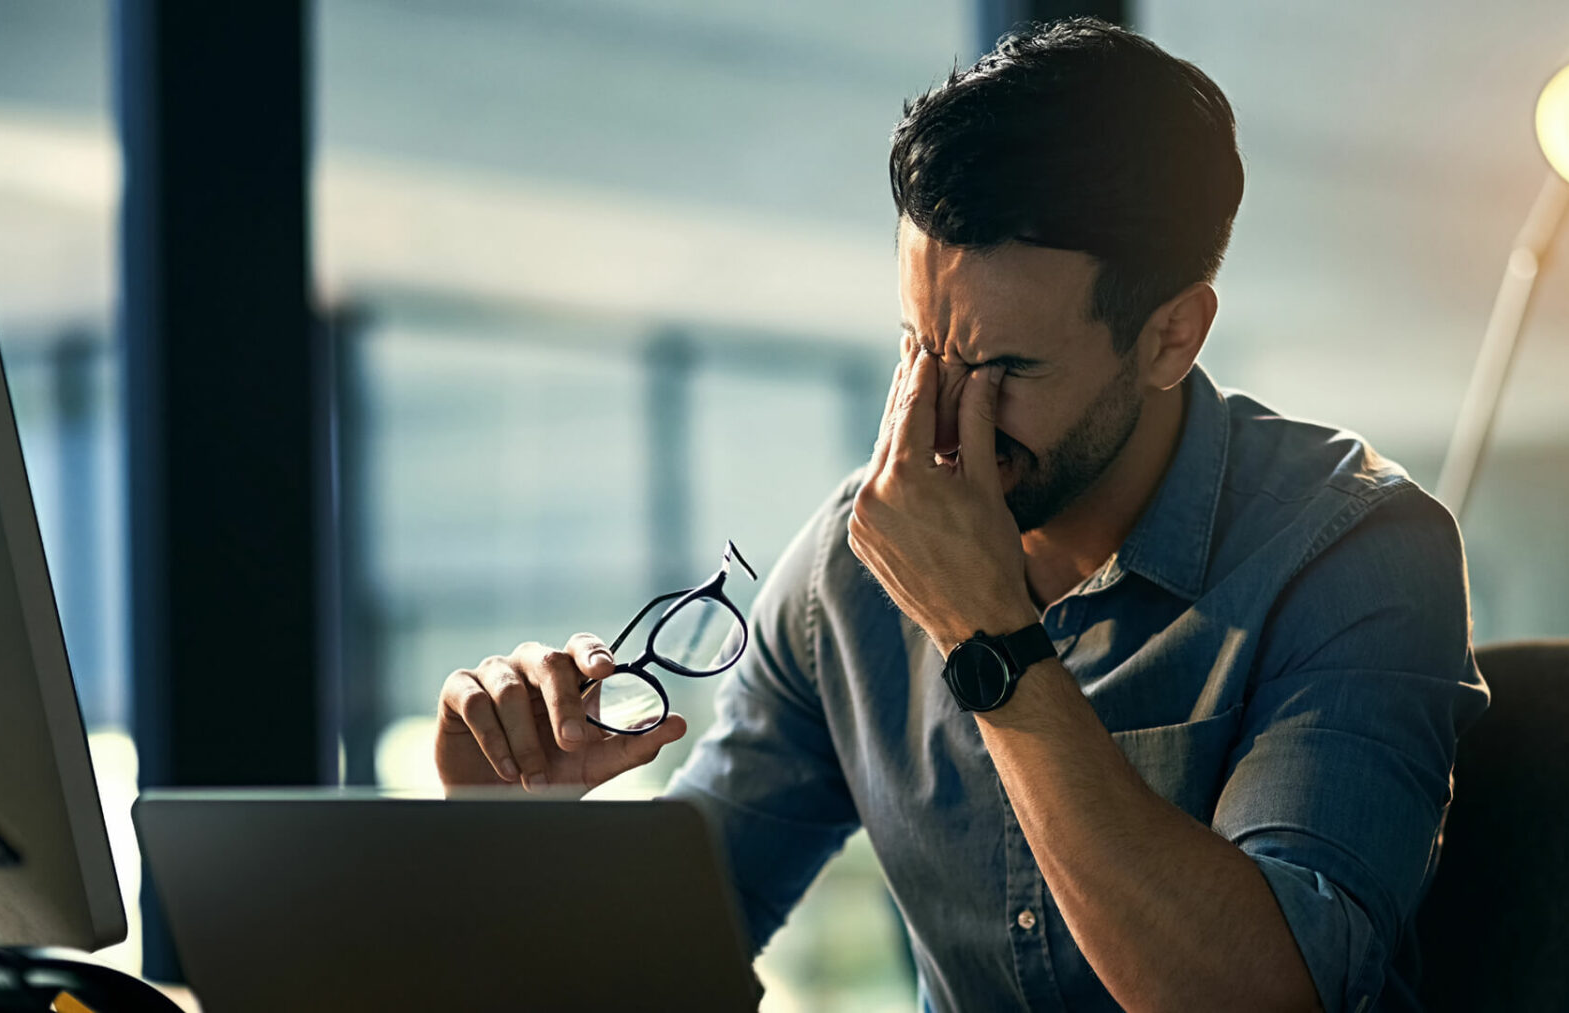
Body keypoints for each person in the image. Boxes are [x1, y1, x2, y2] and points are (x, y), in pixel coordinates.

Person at [433, 18, 1488, 1013]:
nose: (940, 421)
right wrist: (509, 832)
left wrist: (992, 642)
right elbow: (674, 952)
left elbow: (1265, 993)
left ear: (1172, 337)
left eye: (1005, 369)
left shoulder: (1355, 554)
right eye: (919, 346)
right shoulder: (849, 573)